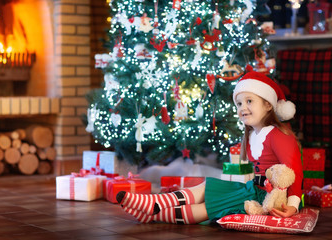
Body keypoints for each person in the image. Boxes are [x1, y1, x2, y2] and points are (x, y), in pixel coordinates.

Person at [116, 69, 303, 224]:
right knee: (209, 186)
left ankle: (154, 212)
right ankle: (154, 206)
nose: (242, 108)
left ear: (268, 105)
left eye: (249, 101)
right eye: (239, 103)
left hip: (274, 199)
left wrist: (293, 206)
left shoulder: (279, 136)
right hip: (255, 189)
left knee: (211, 206)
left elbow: (295, 171)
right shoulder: (253, 134)